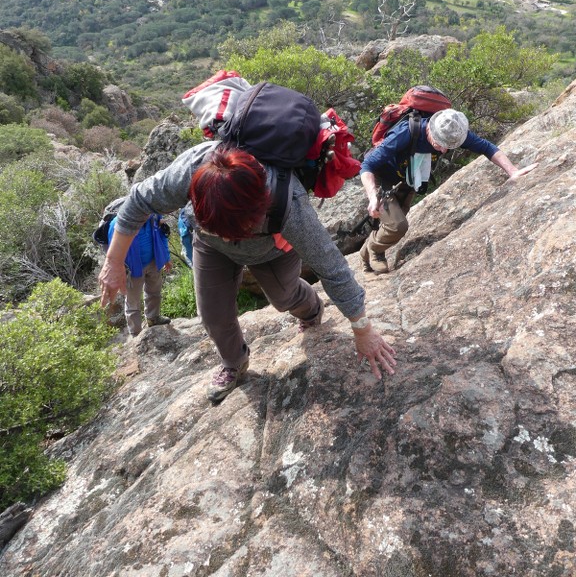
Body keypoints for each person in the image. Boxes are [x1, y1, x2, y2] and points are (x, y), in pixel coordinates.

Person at [98, 142, 397, 402]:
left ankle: (311, 309)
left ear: (258, 209)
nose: (229, 237)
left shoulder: (289, 204)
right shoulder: (191, 170)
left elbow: (331, 266)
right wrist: (114, 261)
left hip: (270, 249)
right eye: (220, 228)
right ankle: (234, 362)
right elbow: (138, 201)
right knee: (212, 314)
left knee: (284, 297)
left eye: (235, 230)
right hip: (209, 246)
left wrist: (362, 328)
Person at [359, 108, 538, 274]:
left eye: (448, 146)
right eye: (440, 144)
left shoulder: (454, 131)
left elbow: (487, 147)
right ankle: (374, 250)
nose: (444, 149)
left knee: (394, 221)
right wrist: (373, 196)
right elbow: (367, 165)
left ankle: (371, 250)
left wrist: (513, 171)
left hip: (410, 177)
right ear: (430, 130)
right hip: (383, 177)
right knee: (398, 226)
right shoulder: (406, 133)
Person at [108, 212, 172, 336]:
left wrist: (166, 257)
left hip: (154, 261)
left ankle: (153, 318)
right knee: (133, 301)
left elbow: (162, 236)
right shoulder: (119, 223)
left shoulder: (154, 217)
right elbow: (113, 250)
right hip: (132, 268)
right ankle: (136, 333)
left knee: (154, 292)